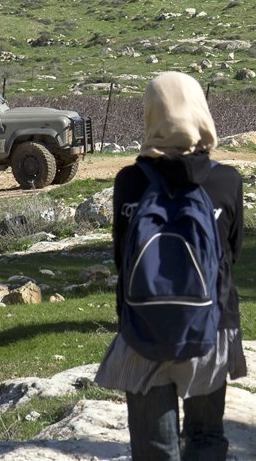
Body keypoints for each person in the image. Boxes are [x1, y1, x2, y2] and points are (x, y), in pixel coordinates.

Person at [95, 71, 246, 461]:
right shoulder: (226, 181)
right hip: (211, 327)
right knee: (207, 438)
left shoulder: (129, 182)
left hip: (143, 327)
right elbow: (233, 252)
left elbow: (120, 257)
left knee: (154, 449)